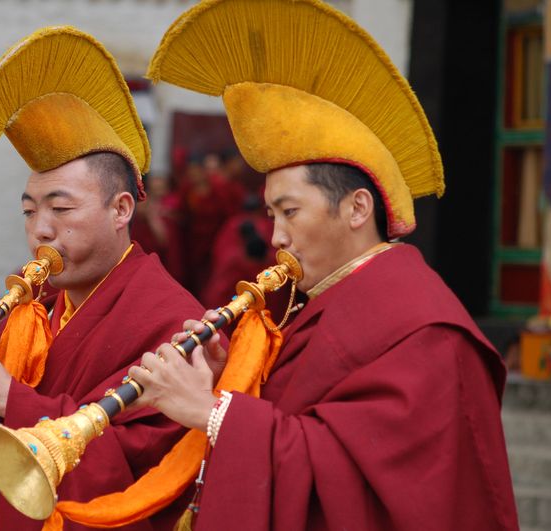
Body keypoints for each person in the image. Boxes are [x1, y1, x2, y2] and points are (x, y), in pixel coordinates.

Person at [130, 1, 520, 529]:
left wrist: (212, 412)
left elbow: (367, 483)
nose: (277, 236)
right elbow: (303, 428)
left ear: (358, 207)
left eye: (290, 211)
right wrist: (232, 378)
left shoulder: (425, 330)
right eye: (270, 213)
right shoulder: (322, 304)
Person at [0, 27, 217, 531]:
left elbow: (143, 479)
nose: (41, 231)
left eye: (61, 208)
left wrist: (8, 398)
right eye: (30, 211)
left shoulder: (171, 320)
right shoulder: (34, 318)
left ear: (121, 209)